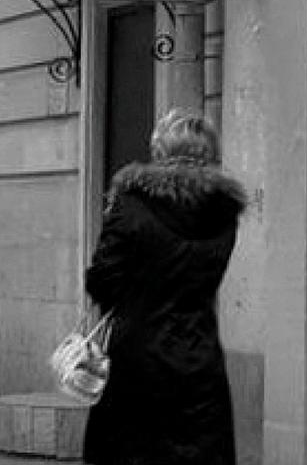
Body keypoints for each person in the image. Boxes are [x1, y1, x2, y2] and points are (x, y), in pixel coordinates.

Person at [83, 108, 248, 465]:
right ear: (210, 153)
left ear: (160, 150)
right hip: (200, 354)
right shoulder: (224, 213)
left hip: (138, 356)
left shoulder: (132, 204)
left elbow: (101, 279)